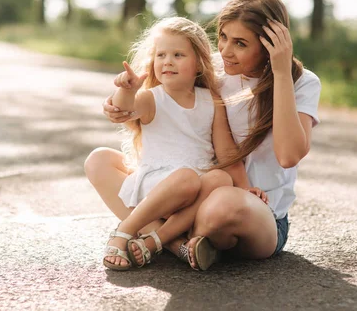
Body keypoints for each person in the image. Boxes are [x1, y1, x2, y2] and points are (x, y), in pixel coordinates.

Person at [88, 0, 321, 269]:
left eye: (240, 43)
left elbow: (288, 156)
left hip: (247, 209)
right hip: (187, 194)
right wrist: (118, 104)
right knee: (101, 160)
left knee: (220, 203)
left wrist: (281, 72)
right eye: (222, 37)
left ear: (269, 45)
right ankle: (175, 243)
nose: (225, 51)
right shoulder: (212, 69)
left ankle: (160, 235)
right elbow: (159, 94)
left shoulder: (302, 82)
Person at [93, 16, 266, 271]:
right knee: (184, 177)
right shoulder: (152, 98)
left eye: (178, 55)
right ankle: (125, 230)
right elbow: (124, 106)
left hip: (197, 196)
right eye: (161, 55)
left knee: (220, 179)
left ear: (198, 64)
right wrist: (127, 90)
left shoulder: (211, 100)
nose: (168, 62)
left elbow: (227, 151)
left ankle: (156, 240)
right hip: (159, 187)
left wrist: (245, 188)